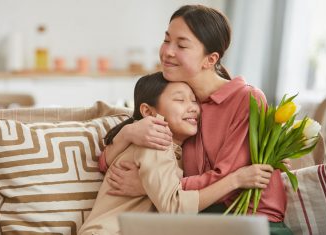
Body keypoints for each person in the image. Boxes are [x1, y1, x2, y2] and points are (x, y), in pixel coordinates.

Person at [98, 5, 292, 235]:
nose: (167, 52)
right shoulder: (177, 98)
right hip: (198, 214)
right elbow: (106, 164)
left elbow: (228, 179)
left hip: (249, 218)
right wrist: (127, 133)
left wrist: (151, 187)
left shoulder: (246, 99)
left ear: (210, 59)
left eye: (181, 45)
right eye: (166, 39)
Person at [78, 72, 273, 235]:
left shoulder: (180, 149)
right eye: (180, 99)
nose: (193, 108)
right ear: (148, 111)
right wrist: (236, 180)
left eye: (194, 100)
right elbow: (175, 207)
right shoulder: (155, 140)